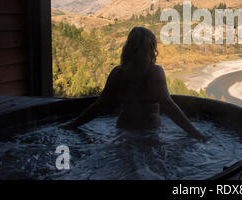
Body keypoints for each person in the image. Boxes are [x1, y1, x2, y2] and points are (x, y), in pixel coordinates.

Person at [61, 27, 207, 141]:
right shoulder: (155, 72)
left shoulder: (118, 73)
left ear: (127, 48)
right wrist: (196, 133)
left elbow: (99, 105)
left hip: (123, 130)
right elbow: (169, 106)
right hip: (149, 133)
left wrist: (73, 124)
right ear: (151, 48)